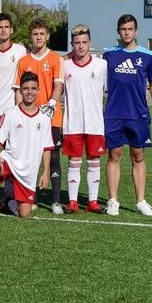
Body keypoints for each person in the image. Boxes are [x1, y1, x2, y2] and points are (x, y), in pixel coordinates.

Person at [103, 14, 152, 216]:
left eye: (130, 29)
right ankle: (113, 201)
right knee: (115, 155)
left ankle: (140, 201)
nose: (127, 32)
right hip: (113, 114)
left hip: (138, 114)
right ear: (118, 31)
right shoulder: (108, 55)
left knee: (138, 156)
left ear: (136, 31)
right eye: (123, 29)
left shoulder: (148, 56)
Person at [0, 71, 55, 219]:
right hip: (10, 161)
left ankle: (9, 201)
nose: (30, 92)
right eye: (26, 88)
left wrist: (46, 172)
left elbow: (47, 148)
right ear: (20, 90)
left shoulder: (45, 118)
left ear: (38, 91)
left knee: (24, 214)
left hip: (28, 173)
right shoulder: (10, 114)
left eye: (33, 88)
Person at [13, 19, 65, 214]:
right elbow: (18, 89)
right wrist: (19, 111)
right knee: (28, 156)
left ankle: (56, 200)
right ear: (31, 37)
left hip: (51, 116)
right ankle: (29, 196)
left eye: (42, 34)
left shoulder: (55, 59)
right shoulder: (23, 61)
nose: (39, 37)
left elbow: (58, 84)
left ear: (47, 36)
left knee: (53, 156)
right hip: (28, 117)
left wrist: (51, 103)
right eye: (35, 34)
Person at [0, 13, 27, 211]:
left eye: (6, 27)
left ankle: (9, 196)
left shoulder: (20, 51)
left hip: (10, 112)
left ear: (12, 30)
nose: (3, 30)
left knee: (11, 154)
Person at [61, 25, 107, 214]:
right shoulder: (65, 65)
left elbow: (110, 92)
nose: (81, 46)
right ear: (72, 44)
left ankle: (93, 201)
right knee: (74, 162)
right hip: (73, 123)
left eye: (84, 42)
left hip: (95, 123)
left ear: (90, 43)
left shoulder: (101, 65)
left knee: (94, 161)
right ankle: (72, 201)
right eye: (77, 43)